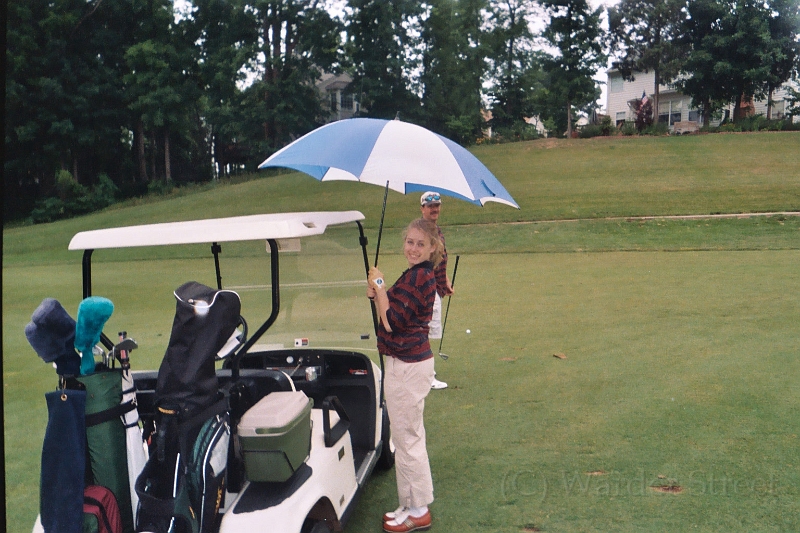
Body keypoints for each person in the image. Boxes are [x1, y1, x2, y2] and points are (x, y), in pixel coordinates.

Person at [367, 217, 443, 533]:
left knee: (407, 439)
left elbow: (393, 322)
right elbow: (388, 313)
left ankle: (418, 510)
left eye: (420, 244)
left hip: (408, 366)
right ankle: (408, 503)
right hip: (406, 362)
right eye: (410, 242)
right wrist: (379, 295)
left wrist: (381, 286)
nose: (413, 248)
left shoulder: (421, 278)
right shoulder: (414, 274)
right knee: (404, 436)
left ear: (432, 248)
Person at [420, 191, 454, 390]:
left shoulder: (434, 229)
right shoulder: (423, 231)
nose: (434, 209)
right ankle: (427, 377)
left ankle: (424, 373)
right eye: (430, 206)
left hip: (435, 286)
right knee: (424, 332)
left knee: (425, 332)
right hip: (427, 288)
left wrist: (445, 280)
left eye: (437, 205)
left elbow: (440, 260)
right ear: (422, 208)